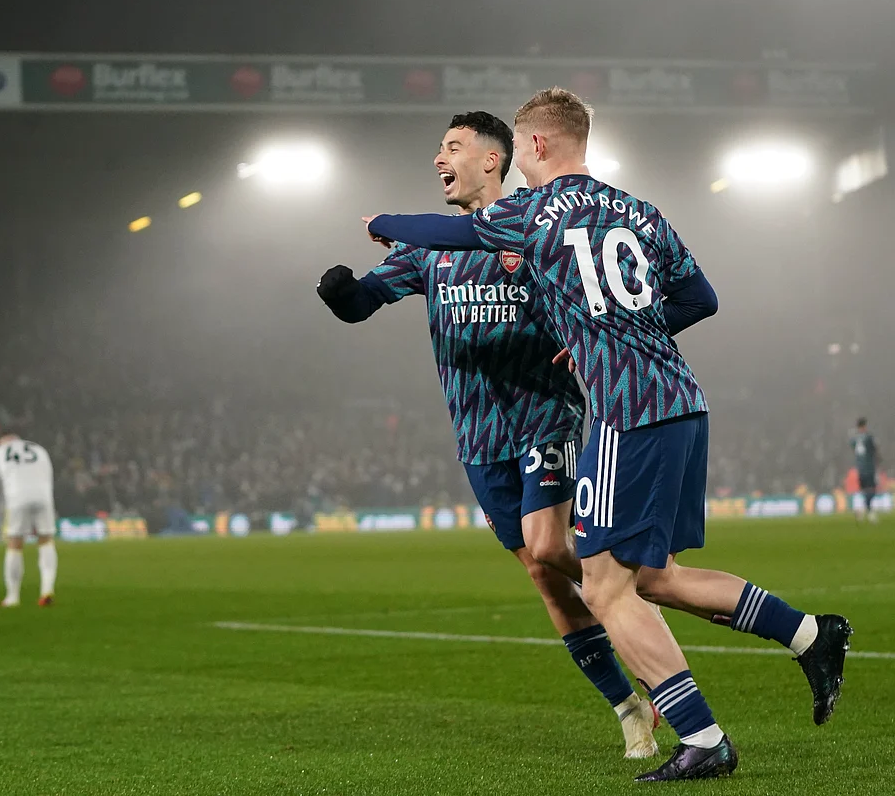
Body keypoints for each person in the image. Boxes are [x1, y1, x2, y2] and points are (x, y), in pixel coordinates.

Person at [364, 88, 852, 781]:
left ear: (532, 146)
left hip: (630, 415)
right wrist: (611, 333)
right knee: (652, 575)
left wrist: (383, 221)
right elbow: (700, 298)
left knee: (603, 586)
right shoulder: (637, 208)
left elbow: (455, 233)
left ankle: (703, 737)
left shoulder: (531, 211)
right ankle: (809, 632)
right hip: (683, 399)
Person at [317, 111, 658, 759]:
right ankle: (626, 702)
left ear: (492, 160)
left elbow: (590, 295)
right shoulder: (428, 247)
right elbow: (366, 300)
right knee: (545, 570)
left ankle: (647, 619)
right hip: (479, 439)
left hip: (546, 415)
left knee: (548, 543)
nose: (438, 159)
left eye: (452, 147)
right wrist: (339, 293)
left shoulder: (534, 225)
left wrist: (579, 341)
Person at [0, 433, 59, 607]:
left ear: (3, 441)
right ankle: (47, 589)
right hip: (43, 497)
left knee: (15, 544)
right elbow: (49, 478)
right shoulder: (39, 449)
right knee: (46, 541)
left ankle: (13, 596)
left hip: (17, 499)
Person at [850, 418, 880, 523]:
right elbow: (874, 450)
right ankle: (868, 511)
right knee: (872, 490)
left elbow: (854, 449)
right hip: (869, 467)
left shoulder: (854, 439)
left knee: (865, 490)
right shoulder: (868, 437)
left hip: (860, 468)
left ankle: (862, 510)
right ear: (864, 426)